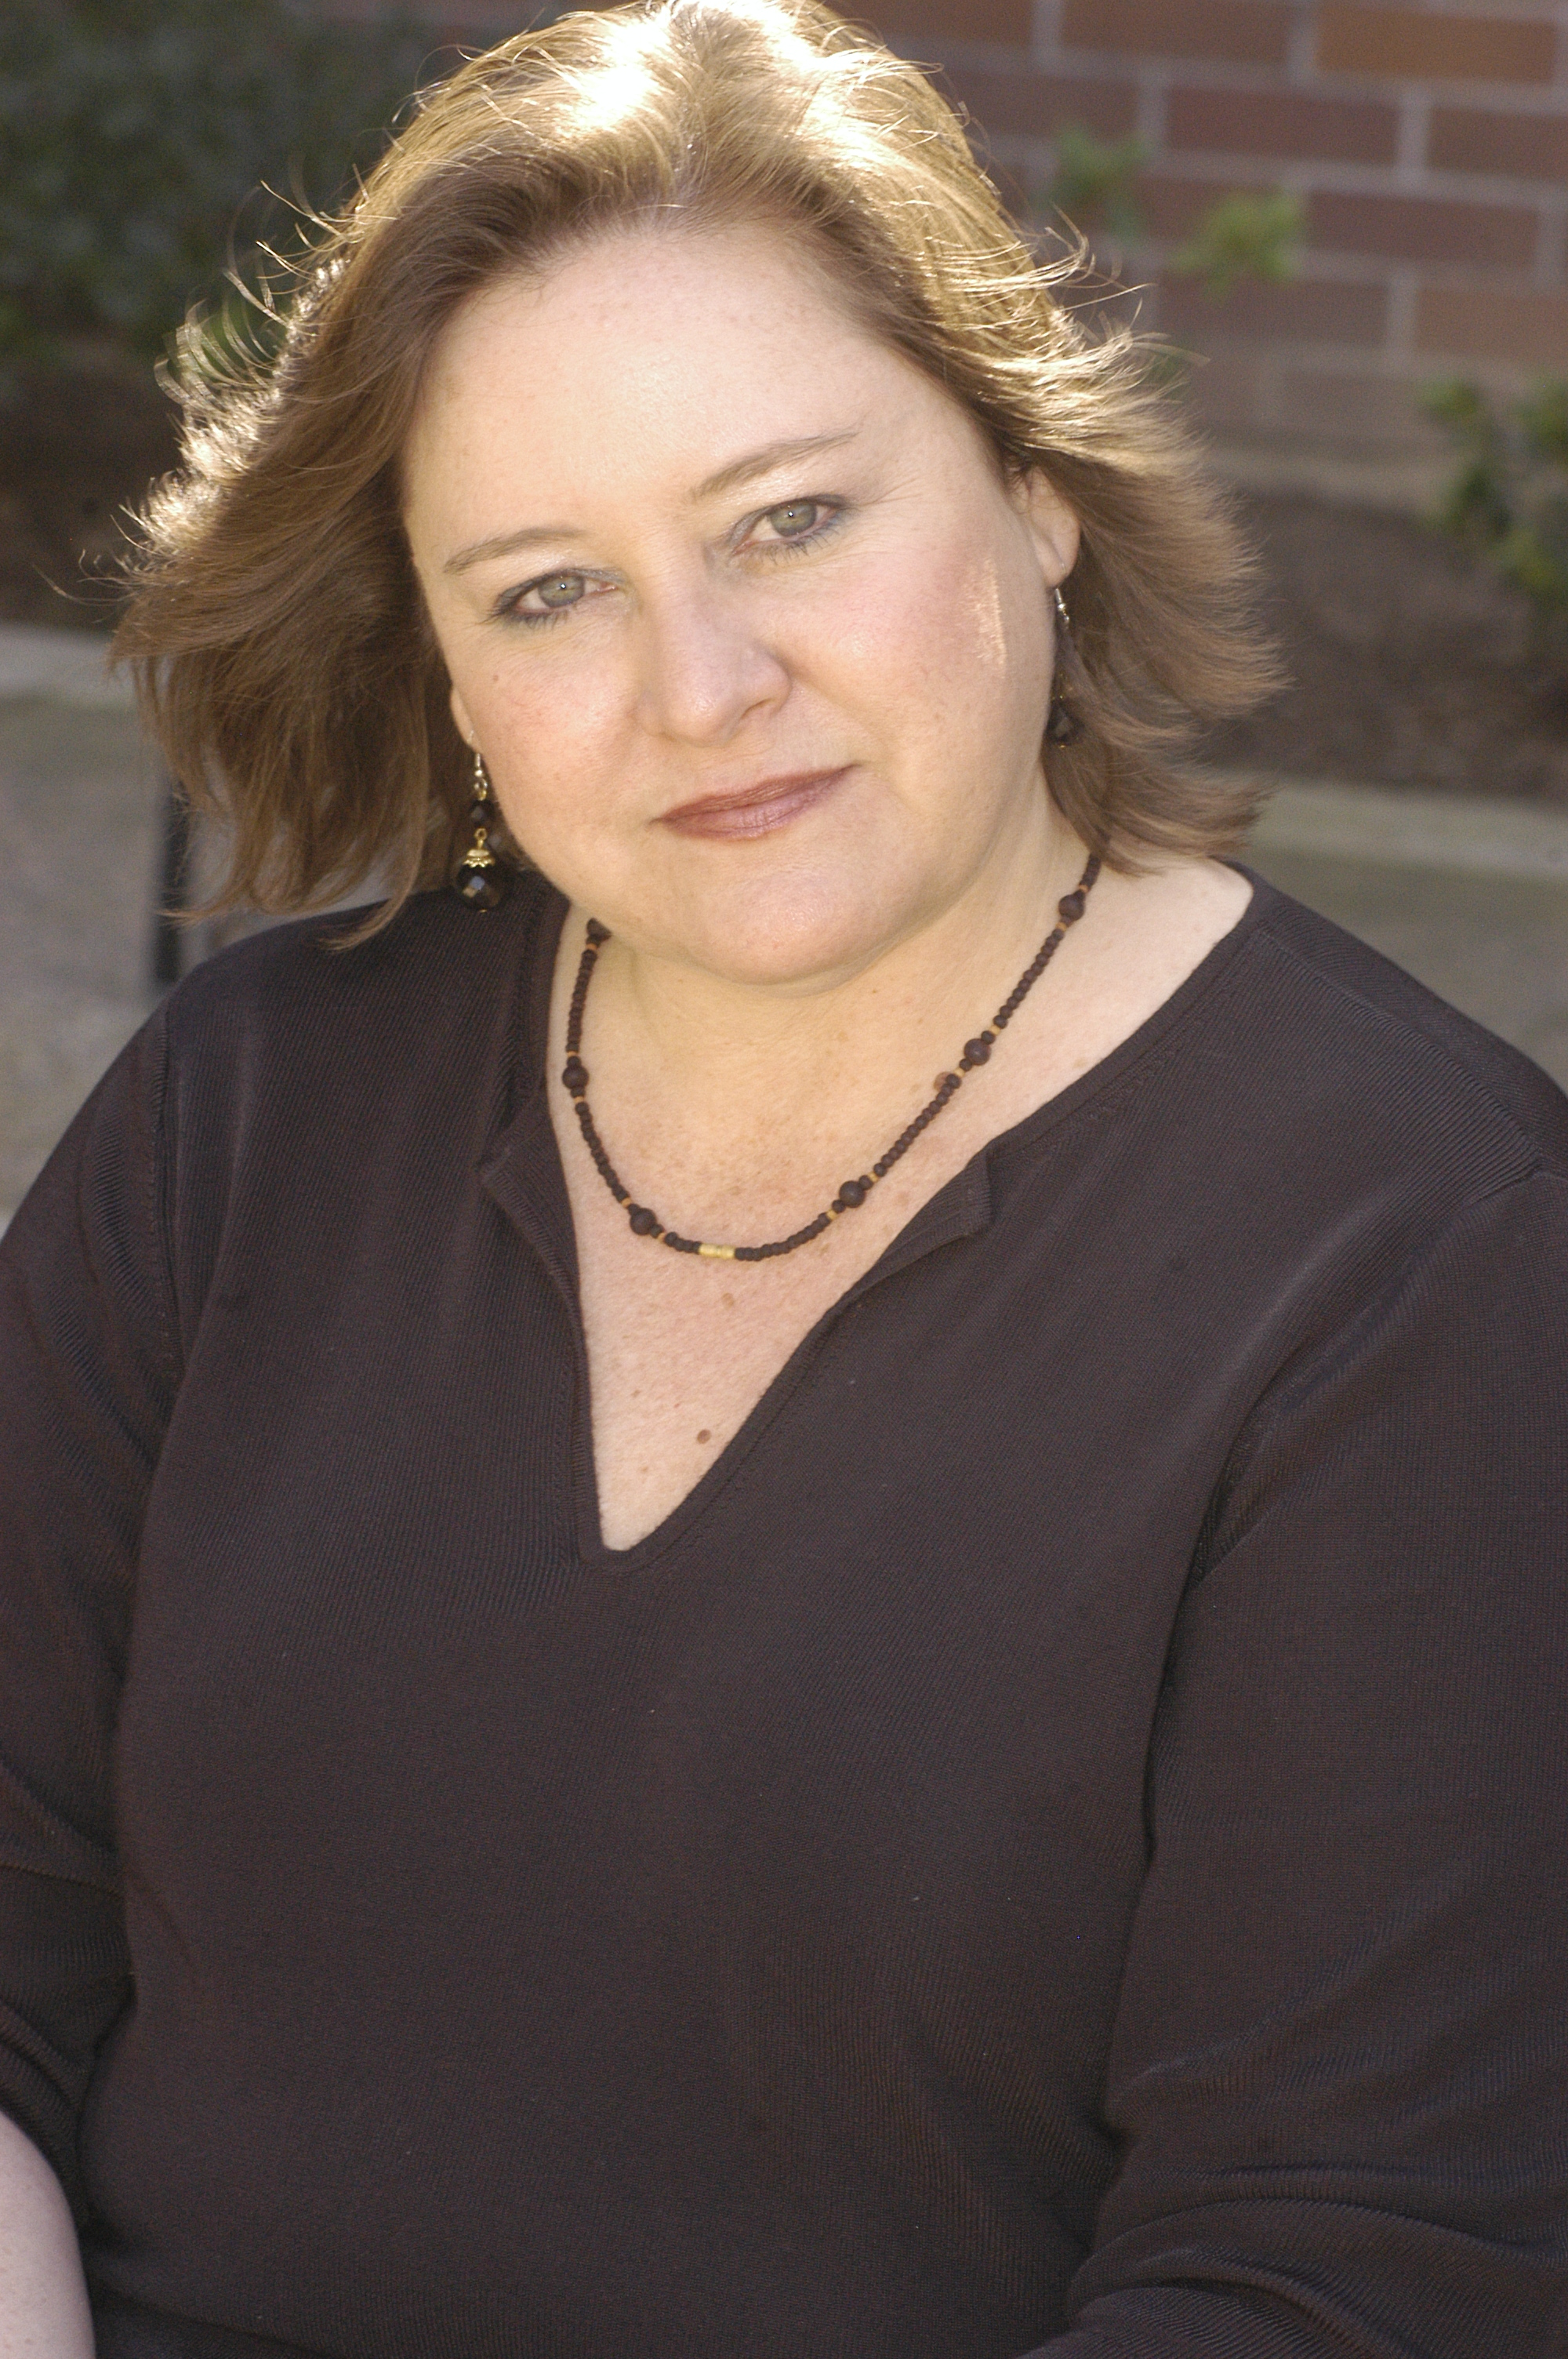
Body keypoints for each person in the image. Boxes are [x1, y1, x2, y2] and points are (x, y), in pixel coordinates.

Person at [2, 2, 1566, 2351]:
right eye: (547, 587)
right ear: (445, 668)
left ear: (1036, 486)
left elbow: (1342, 2276)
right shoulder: (243, 1118)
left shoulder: (1425, 1257)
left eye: (792, 519)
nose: (701, 683)